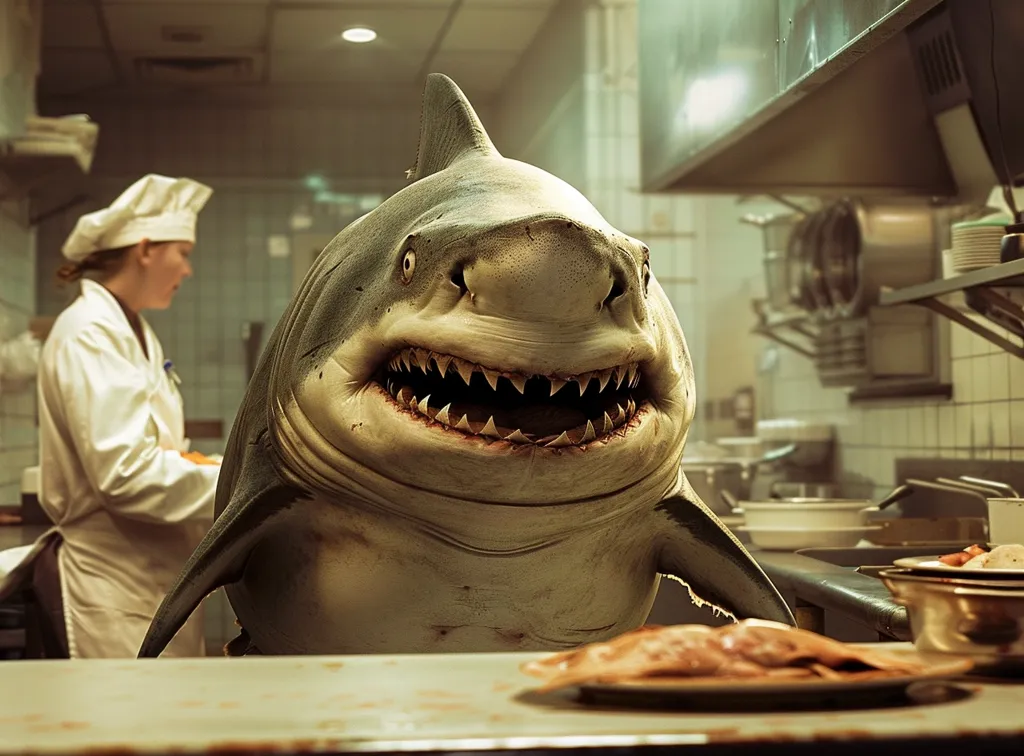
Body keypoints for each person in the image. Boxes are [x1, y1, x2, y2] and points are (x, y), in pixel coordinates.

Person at [36, 173, 221, 658]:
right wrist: (236, 482)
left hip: (152, 582)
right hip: (113, 589)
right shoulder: (89, 332)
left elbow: (152, 449)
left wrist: (209, 467)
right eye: (182, 253)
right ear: (145, 249)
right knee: (127, 728)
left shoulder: (131, 330)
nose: (188, 270)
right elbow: (125, 475)